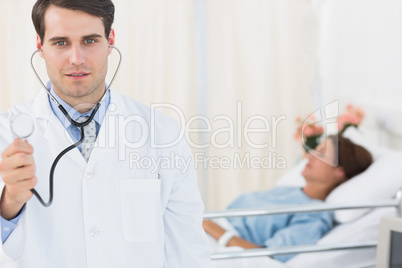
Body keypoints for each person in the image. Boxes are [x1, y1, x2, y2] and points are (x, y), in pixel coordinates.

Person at [0, 0, 210, 267]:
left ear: (110, 40)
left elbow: (188, 249)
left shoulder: (162, 133)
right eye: (60, 43)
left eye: (89, 41)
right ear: (40, 46)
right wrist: (9, 203)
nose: (76, 58)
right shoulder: (7, 135)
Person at [203, 135, 373, 263]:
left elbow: (268, 256)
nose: (309, 155)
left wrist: (208, 225)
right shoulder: (286, 191)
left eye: (321, 153)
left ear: (340, 172)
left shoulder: (314, 214)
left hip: (214, 237)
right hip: (206, 228)